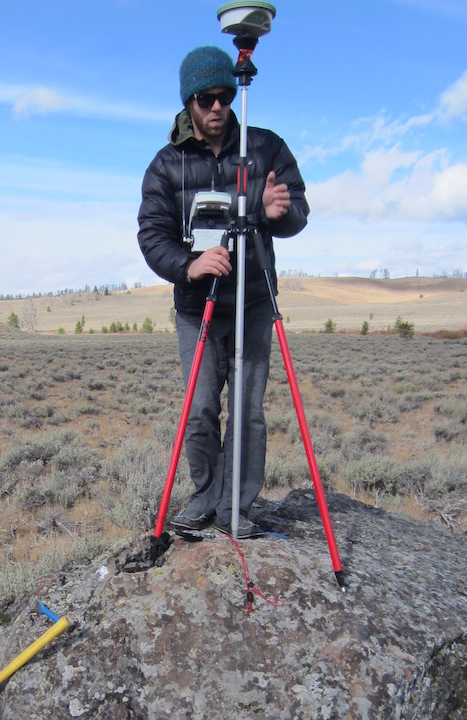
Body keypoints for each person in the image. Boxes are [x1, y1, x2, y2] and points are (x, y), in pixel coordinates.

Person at [137, 45, 309, 539]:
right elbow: (152, 237)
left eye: (225, 97)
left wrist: (281, 215)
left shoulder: (265, 147)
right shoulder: (166, 165)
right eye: (206, 98)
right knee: (199, 408)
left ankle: (238, 506)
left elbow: (297, 211)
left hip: (253, 302)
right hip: (198, 308)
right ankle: (205, 497)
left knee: (249, 412)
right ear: (189, 101)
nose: (217, 107)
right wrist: (190, 266)